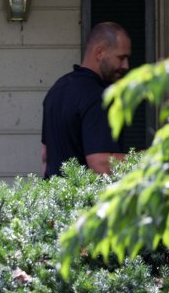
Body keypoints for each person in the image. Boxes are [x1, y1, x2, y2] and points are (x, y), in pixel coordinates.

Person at [41, 21, 131, 178]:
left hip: (53, 192)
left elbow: (45, 158)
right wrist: (152, 160)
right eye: (121, 58)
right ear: (99, 52)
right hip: (86, 194)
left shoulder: (56, 90)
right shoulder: (98, 96)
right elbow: (100, 163)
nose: (126, 66)